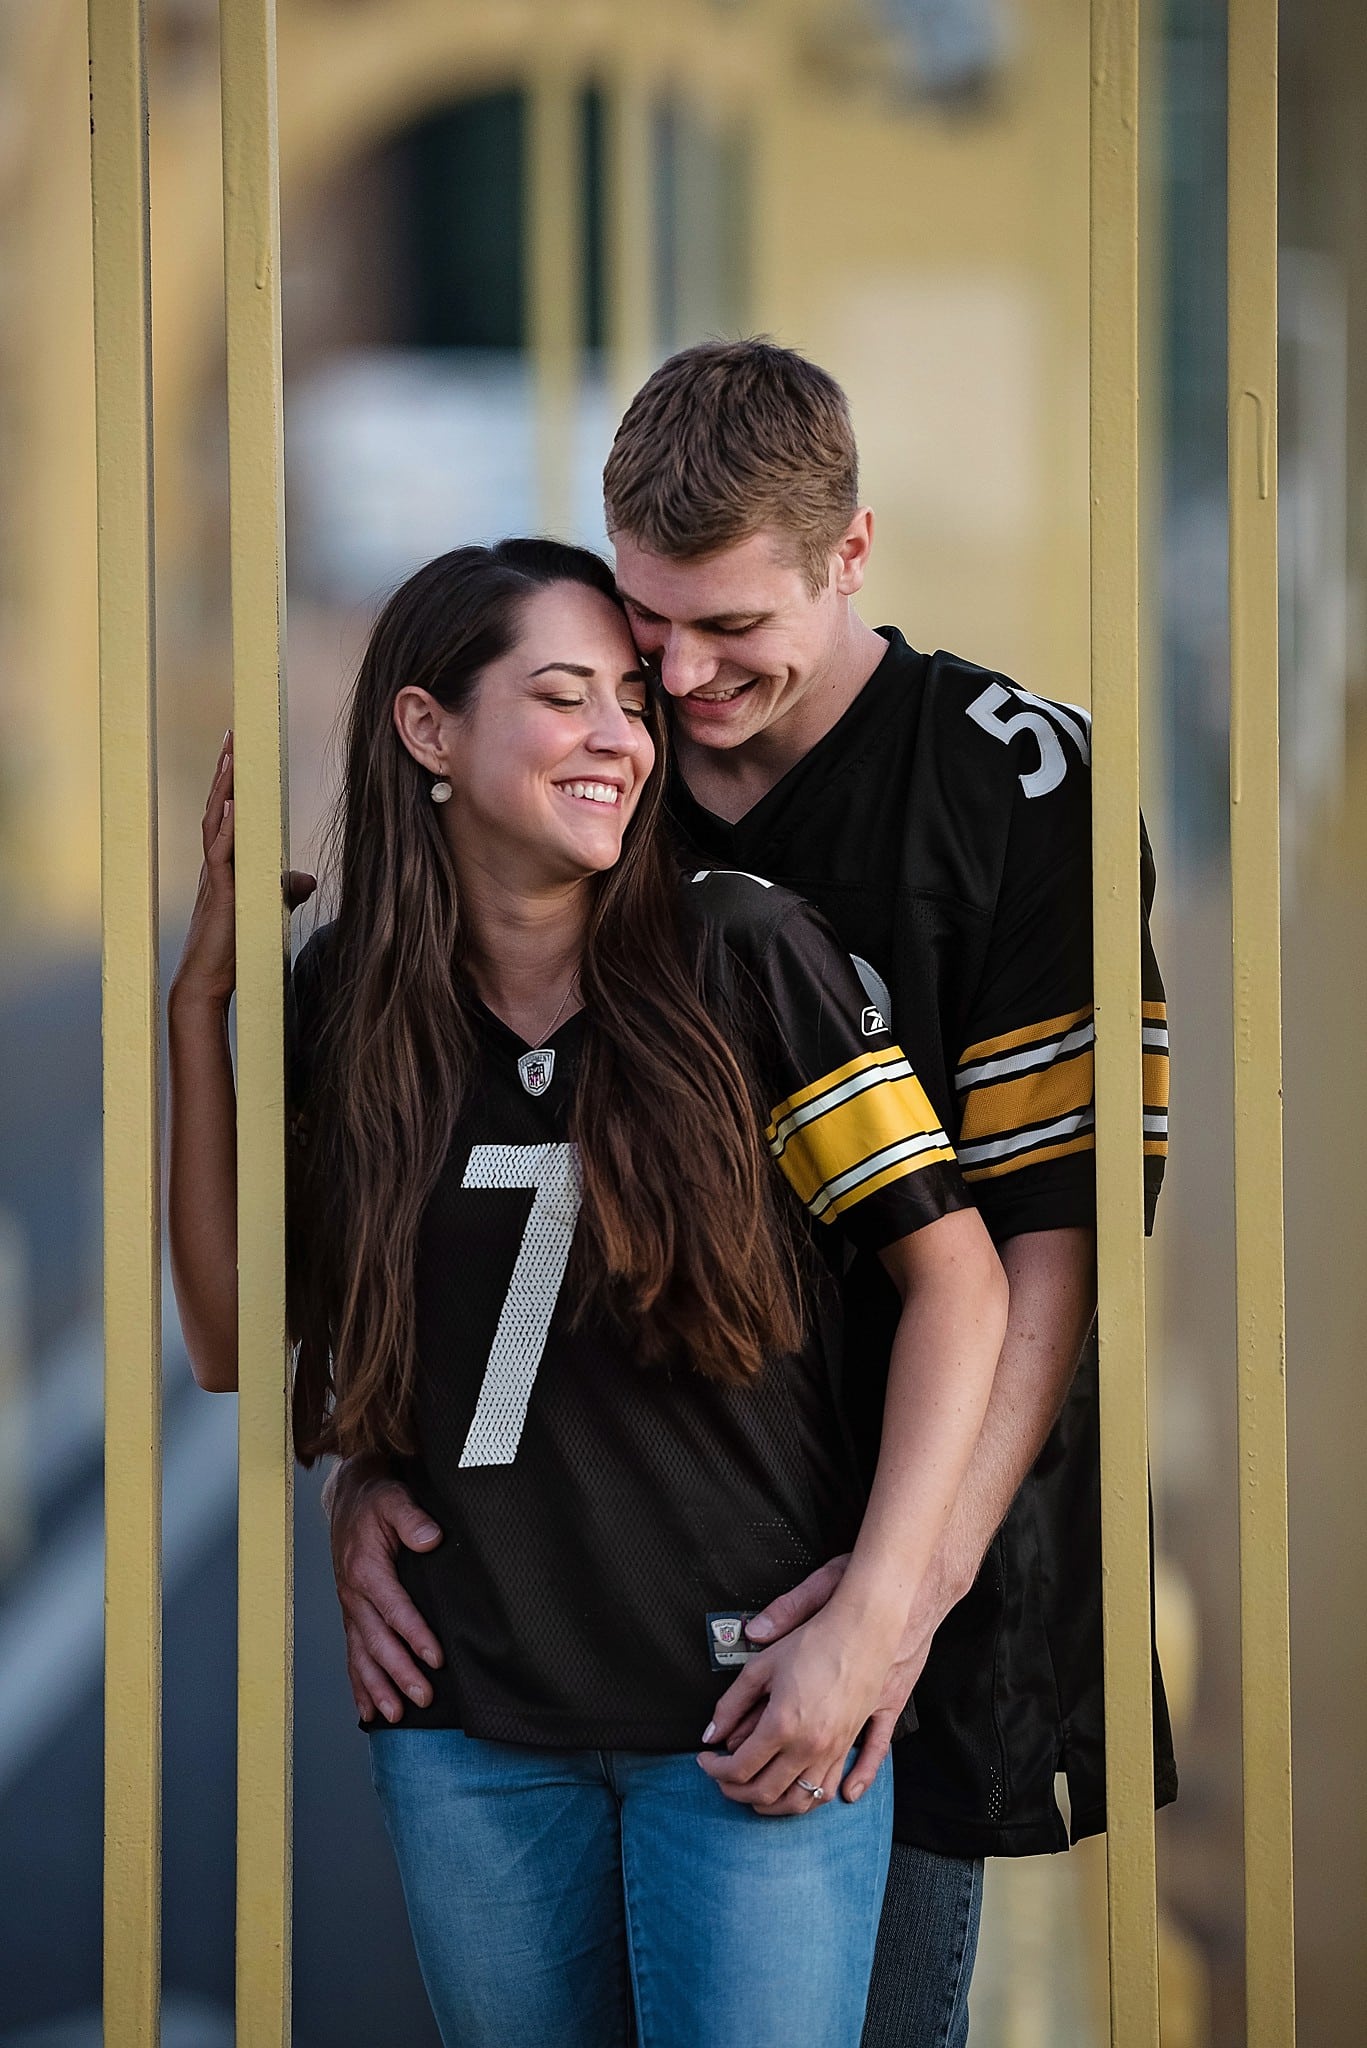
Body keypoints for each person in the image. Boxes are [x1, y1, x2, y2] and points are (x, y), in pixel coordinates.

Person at [328, 343, 1176, 2048]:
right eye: (650, 625)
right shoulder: (595, 769)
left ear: (852, 552)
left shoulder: (1018, 787)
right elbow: (474, 1152)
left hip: (903, 1547)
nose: (683, 680)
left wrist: (890, 1605)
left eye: (734, 630)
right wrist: (384, 1456)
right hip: (610, 1541)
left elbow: (1048, 1251)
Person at [167, 537, 1009, 2048]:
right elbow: (234, 1336)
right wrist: (201, 1007)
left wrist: (875, 1614)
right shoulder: (352, 1001)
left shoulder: (747, 957)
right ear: (429, 730)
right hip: (472, 1732)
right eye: (566, 699)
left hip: (751, 1719)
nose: (624, 737)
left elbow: (957, 1281)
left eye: (630, 700)